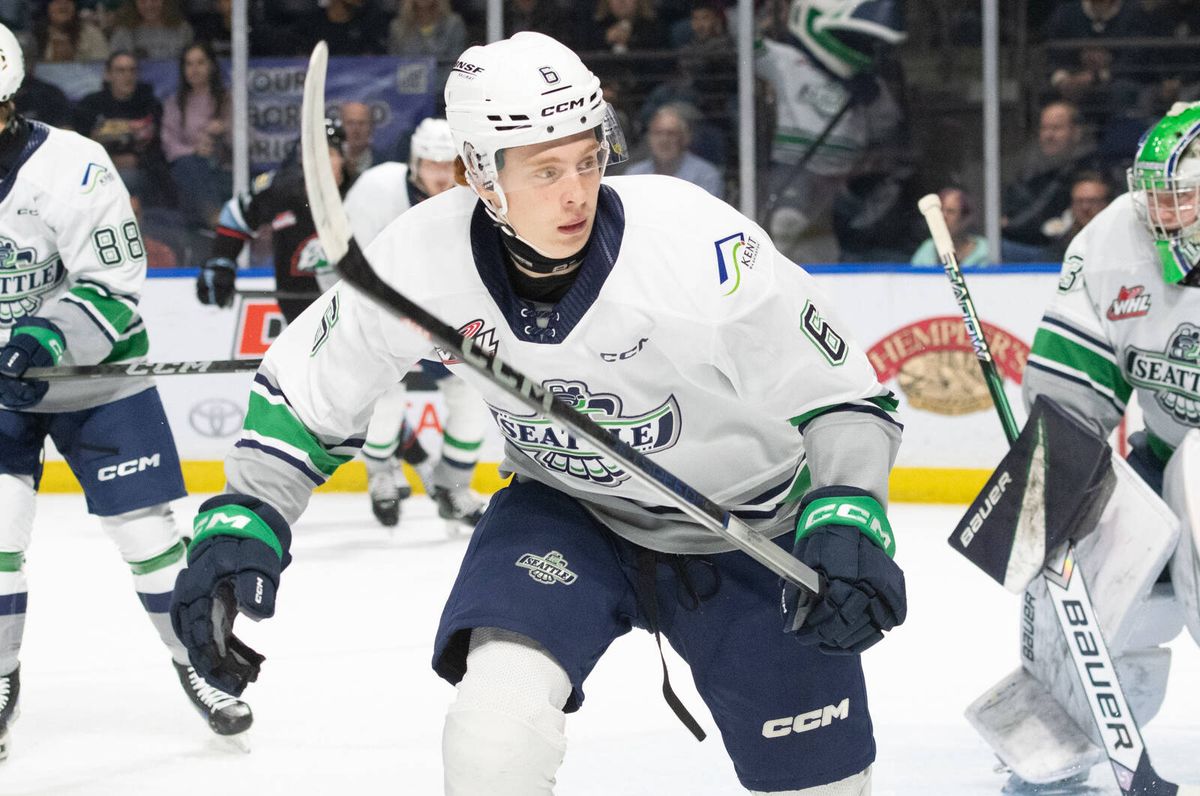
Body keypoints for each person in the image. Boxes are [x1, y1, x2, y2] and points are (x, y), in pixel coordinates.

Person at [170, 31, 906, 795]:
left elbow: (846, 395)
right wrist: (246, 517)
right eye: (545, 170)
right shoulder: (421, 259)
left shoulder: (699, 250)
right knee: (492, 739)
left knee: (821, 788)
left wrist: (849, 508)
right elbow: (309, 392)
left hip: (753, 527)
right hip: (569, 512)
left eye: (588, 159)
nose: (576, 192)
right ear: (480, 178)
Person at [0, 23, 250, 759]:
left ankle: (198, 664)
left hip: (94, 377)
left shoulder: (74, 168)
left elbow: (113, 292)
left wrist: (41, 336)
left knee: (147, 539)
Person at [981, 100, 1200, 793]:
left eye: (1183, 197)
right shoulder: (1112, 242)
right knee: (1092, 584)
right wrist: (1054, 486)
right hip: (1169, 457)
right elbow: (1071, 387)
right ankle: (1070, 746)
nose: (1162, 214)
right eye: (1154, 196)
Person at [342, 118, 490, 530]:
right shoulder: (377, 191)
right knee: (386, 398)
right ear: (414, 162)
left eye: (449, 163)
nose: (441, 173)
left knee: (471, 395)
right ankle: (382, 475)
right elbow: (350, 263)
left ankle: (454, 486)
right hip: (384, 314)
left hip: (451, 317)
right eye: (431, 162)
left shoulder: (474, 195)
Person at [756, 0, 908, 264]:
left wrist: (870, 100)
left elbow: (887, 128)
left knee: (826, 245)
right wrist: (747, 10)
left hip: (842, 177)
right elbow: (749, 46)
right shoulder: (790, 61)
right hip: (796, 169)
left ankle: (824, 288)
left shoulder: (868, 84)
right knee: (787, 224)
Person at [195, 118, 352, 324]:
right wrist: (221, 262)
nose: (320, 162)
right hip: (296, 316)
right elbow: (235, 216)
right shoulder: (279, 189)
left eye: (329, 154)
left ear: (343, 159)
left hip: (351, 313)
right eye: (313, 154)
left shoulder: (361, 193)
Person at [74, 50, 175, 209]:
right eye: (120, 71)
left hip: (142, 172)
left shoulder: (150, 105)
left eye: (132, 70)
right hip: (98, 172)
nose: (127, 76)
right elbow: (77, 146)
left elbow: (160, 147)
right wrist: (111, 161)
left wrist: (138, 161)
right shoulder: (90, 105)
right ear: (108, 74)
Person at [1001, 100, 1097, 249]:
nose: (1049, 135)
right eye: (1044, 128)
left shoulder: (1088, 171)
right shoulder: (1030, 172)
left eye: (1056, 128)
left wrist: (1009, 226)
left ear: (1076, 132)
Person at [162, 41, 231, 230]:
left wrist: (224, 128)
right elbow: (169, 144)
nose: (194, 69)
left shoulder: (227, 98)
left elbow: (246, 140)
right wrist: (194, 149)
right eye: (189, 64)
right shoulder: (175, 102)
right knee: (189, 165)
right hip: (189, 167)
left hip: (221, 164)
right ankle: (215, 219)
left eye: (200, 63)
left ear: (211, 66)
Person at [624, 103, 724, 199]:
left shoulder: (705, 175)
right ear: (649, 138)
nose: (664, 140)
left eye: (671, 134)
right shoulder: (634, 174)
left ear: (685, 138)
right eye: (658, 133)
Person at [1039, 170, 1112, 262]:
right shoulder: (1062, 247)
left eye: (1093, 201)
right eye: (1079, 201)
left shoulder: (1121, 241)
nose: (1085, 207)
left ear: (1107, 204)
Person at [910, 187, 990, 266]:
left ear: (965, 219)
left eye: (951, 212)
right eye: (940, 210)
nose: (943, 216)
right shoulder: (927, 249)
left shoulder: (985, 251)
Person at [108, 0, 194, 62]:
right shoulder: (122, 33)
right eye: (143, 1)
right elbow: (115, 69)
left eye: (154, 0)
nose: (149, 5)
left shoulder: (183, 30)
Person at [33, 0, 109, 63]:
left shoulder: (92, 34)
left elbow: (101, 67)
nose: (63, 7)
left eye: (67, 2)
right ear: (47, 7)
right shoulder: (34, 36)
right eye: (57, 2)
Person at [338, 101, 380, 176]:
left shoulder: (382, 163)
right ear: (342, 126)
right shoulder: (328, 161)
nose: (356, 129)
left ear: (371, 127)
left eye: (361, 123)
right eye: (350, 123)